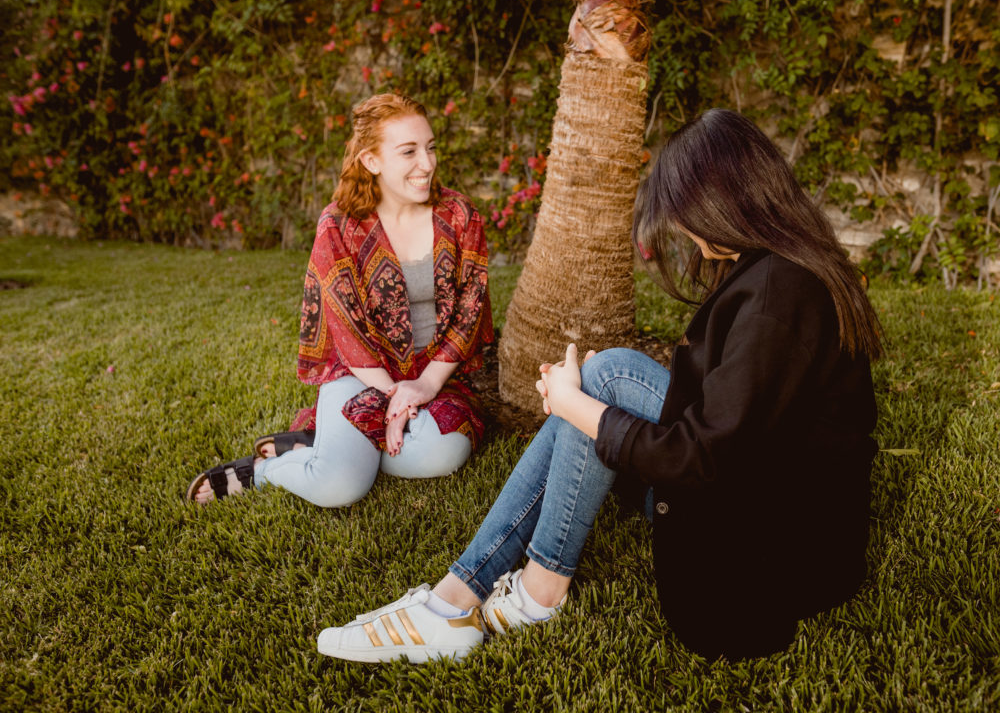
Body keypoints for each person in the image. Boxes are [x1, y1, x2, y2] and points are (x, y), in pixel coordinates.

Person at [315, 108, 881, 662]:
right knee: (601, 377)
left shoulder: (777, 299)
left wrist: (578, 408)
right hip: (765, 492)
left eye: (683, 213)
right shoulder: (781, 267)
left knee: (594, 389)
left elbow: (705, 459)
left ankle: (476, 603)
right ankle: (479, 599)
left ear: (721, 202)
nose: (681, 229)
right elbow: (729, 415)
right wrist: (579, 404)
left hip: (762, 560)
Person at [186, 93, 494, 507]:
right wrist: (393, 399)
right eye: (409, 152)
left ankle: (332, 441)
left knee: (440, 454)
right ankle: (264, 471)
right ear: (371, 161)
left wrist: (422, 386)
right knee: (340, 487)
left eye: (430, 147)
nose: (428, 163)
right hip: (361, 371)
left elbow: (469, 312)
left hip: (437, 375)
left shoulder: (459, 215)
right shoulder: (339, 226)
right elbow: (346, 332)